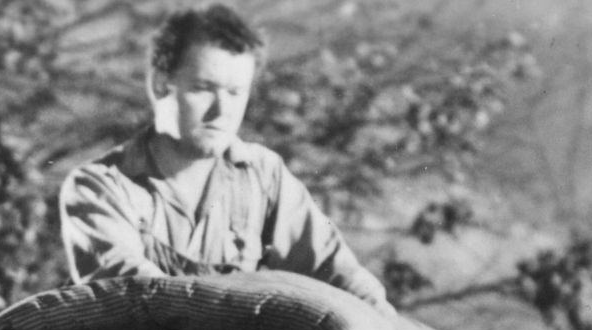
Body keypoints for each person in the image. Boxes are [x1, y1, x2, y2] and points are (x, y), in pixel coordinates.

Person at [59, 7, 391, 306]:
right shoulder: (100, 186)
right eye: (204, 89)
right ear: (161, 84)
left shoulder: (262, 175)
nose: (222, 111)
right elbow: (139, 294)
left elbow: (335, 270)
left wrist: (385, 323)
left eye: (235, 93)